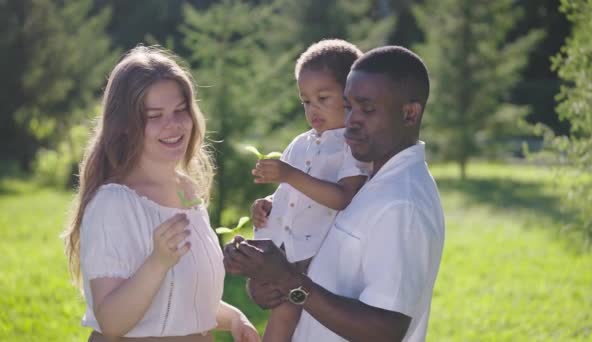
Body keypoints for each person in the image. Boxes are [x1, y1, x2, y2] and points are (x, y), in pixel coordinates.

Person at [224, 45, 445, 342]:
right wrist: (265, 279)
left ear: (409, 113)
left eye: (367, 109)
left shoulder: (401, 203)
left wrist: (289, 282)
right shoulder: (368, 180)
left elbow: (385, 331)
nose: (352, 120)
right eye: (349, 106)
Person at [62, 46, 260, 342]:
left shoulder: (186, 191)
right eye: (154, 115)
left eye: (181, 110)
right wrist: (157, 261)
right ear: (125, 127)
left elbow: (177, 300)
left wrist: (234, 319)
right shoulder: (113, 203)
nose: (174, 124)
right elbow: (112, 321)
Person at [249, 39, 370, 341]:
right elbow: (288, 197)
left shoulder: (352, 145)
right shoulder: (300, 143)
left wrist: (290, 175)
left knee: (287, 308)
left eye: (323, 98)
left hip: (316, 256)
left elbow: (343, 197)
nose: (312, 109)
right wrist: (266, 204)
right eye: (306, 101)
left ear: (349, 97)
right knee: (270, 300)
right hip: (283, 247)